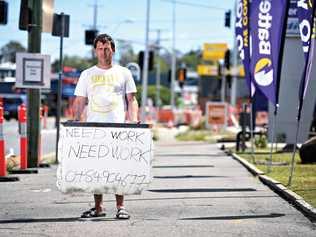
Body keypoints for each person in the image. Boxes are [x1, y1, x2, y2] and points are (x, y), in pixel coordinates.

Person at [72, 33, 139, 220]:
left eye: (106, 49)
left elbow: (131, 99)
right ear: (95, 51)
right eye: (100, 49)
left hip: (117, 128)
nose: (103, 52)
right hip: (94, 128)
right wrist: (77, 121)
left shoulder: (124, 73)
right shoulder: (87, 74)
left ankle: (121, 206)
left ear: (113, 50)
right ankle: (98, 207)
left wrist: (132, 120)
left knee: (118, 168)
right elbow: (80, 100)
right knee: (96, 169)